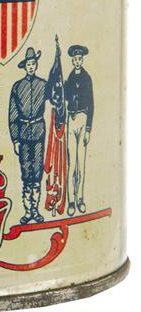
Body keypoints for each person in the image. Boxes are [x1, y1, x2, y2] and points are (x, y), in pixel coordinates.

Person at [9, 47, 48, 224]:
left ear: (36, 65)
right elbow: (13, 115)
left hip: (39, 131)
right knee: (26, 172)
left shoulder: (43, 85)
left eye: (33, 63)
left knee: (37, 171)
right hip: (23, 133)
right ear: (25, 66)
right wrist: (15, 139)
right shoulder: (17, 87)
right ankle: (27, 211)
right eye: (28, 64)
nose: (31, 67)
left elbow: (56, 97)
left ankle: (35, 210)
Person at [65, 45, 94, 216]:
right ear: (72, 61)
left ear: (82, 60)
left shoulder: (87, 78)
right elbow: (65, 98)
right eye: (75, 59)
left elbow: (91, 104)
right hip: (72, 119)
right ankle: (71, 201)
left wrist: (88, 129)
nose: (77, 61)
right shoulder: (69, 78)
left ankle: (80, 199)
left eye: (79, 59)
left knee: (81, 164)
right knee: (71, 165)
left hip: (83, 118)